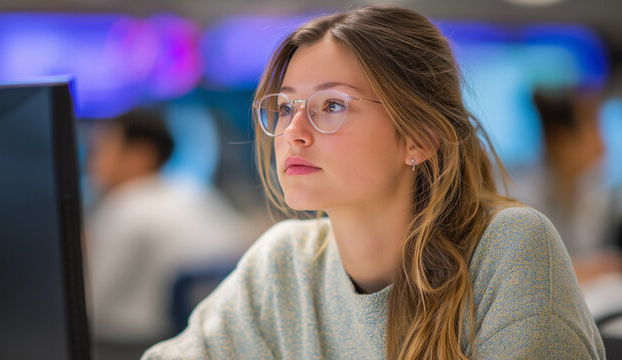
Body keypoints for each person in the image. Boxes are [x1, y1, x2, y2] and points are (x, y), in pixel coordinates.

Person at [142, 6, 604, 359]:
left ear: (420, 138)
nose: (293, 132)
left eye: (333, 106)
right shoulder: (284, 263)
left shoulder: (510, 248)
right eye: (284, 107)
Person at [85, 109, 248, 360]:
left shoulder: (123, 207)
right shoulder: (193, 192)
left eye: (100, 151)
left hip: (137, 347)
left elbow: (89, 305)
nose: (91, 165)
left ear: (139, 155)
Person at [511, 86, 622, 284]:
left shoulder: (587, 191)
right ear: (562, 140)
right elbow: (530, 272)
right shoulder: (523, 199)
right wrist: (598, 268)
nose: (602, 142)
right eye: (593, 128)